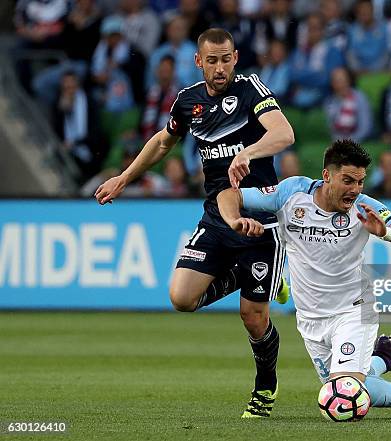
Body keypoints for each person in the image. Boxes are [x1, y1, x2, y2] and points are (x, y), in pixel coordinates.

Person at [94, 28, 295, 418]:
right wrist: (124, 177)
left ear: (235, 58)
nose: (220, 68)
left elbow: (284, 132)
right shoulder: (188, 102)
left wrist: (249, 152)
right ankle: (257, 278)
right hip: (218, 216)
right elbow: (163, 142)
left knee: (253, 318)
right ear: (198, 61)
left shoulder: (252, 89)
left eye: (226, 59)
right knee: (182, 299)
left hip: (261, 219)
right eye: (212, 60)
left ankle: (265, 387)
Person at [217, 139, 391, 420]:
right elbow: (228, 196)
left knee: (346, 392)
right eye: (348, 181)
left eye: (360, 182)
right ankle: (386, 357)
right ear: (327, 175)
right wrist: (234, 220)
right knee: (343, 386)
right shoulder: (292, 193)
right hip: (310, 317)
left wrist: (386, 233)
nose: (355, 190)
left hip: (352, 310)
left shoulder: (364, 207)